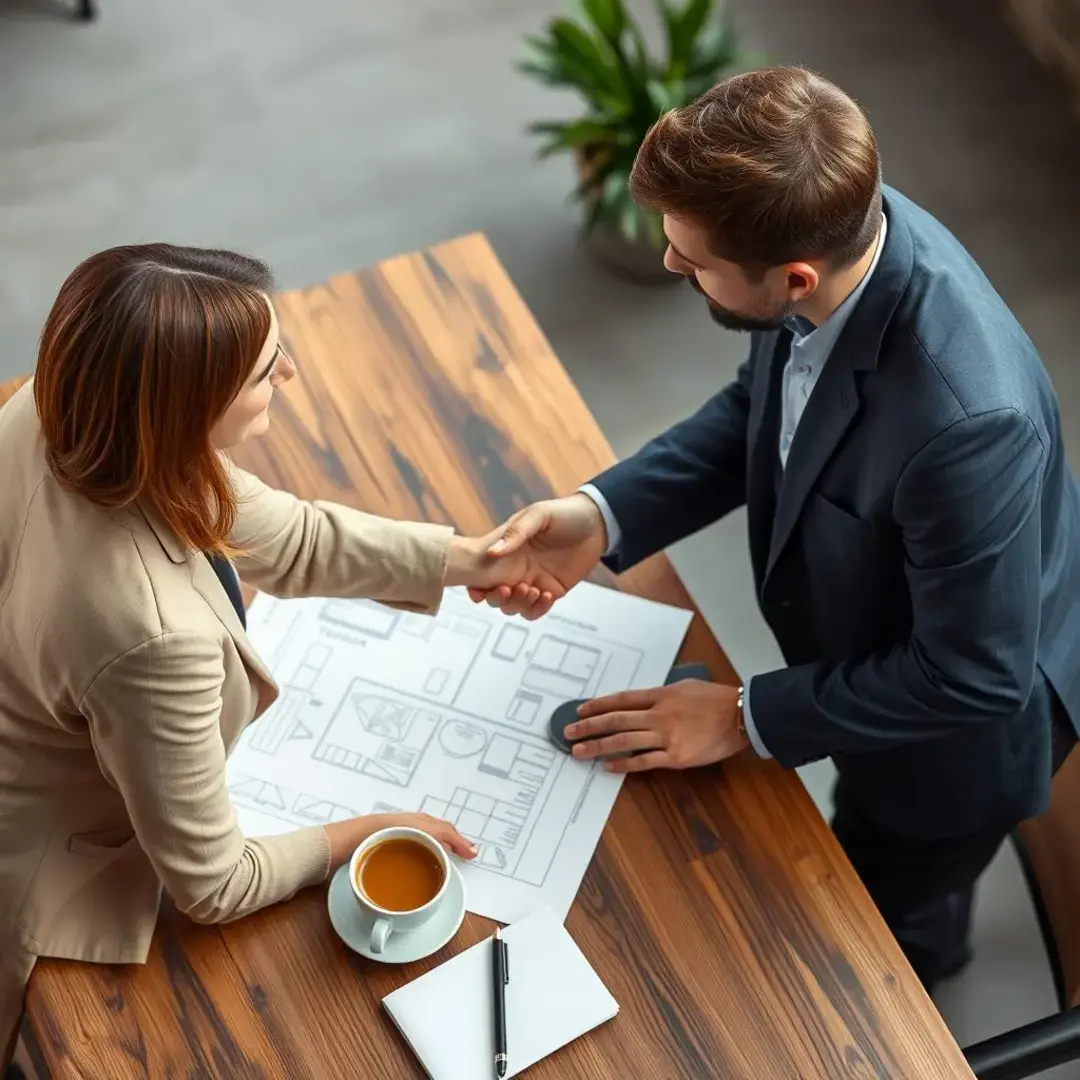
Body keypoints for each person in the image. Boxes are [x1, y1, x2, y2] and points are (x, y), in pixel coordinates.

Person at [475, 67, 1080, 992]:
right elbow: (765, 406)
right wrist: (604, 514)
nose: (674, 266)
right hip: (902, 644)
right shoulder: (827, 223)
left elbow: (972, 674)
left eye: (694, 260)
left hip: (950, 747)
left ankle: (917, 973)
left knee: (870, 931)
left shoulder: (967, 426)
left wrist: (747, 716)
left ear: (794, 277)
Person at [0, 244, 561, 1062]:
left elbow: (284, 536)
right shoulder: (152, 638)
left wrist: (478, 558)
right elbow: (213, 886)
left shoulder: (64, 408)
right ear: (185, 411)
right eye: (266, 371)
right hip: (49, 861)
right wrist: (368, 829)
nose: (291, 374)